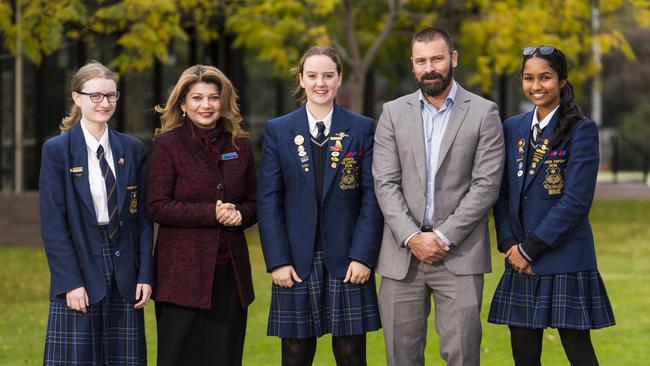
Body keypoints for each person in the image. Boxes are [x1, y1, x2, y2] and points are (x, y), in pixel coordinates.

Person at [372, 27, 505, 366]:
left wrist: (442, 237)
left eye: (437, 58)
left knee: (461, 356)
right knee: (401, 358)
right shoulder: (392, 112)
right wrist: (412, 237)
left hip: (459, 255)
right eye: (421, 61)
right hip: (403, 258)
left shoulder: (483, 112)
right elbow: (385, 183)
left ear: (453, 59)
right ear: (413, 65)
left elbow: (486, 185)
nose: (429, 67)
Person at [488, 45, 615, 366]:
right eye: (528, 78)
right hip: (518, 259)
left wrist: (530, 249)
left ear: (561, 80)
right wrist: (509, 246)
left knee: (579, 352)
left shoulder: (581, 129)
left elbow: (576, 202)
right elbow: (501, 193)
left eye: (545, 77)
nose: (536, 86)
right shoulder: (512, 127)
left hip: (564, 257)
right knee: (524, 354)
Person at [258, 45, 383, 366]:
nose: (320, 83)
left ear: (339, 79)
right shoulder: (278, 130)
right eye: (312, 76)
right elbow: (269, 200)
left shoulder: (361, 128)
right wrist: (278, 261)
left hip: (348, 258)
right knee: (296, 352)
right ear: (301, 79)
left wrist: (363, 256)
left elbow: (372, 197)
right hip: (296, 261)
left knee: (351, 352)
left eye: (328, 75)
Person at [40, 61, 153, 365]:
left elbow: (141, 217)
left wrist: (145, 274)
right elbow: (53, 224)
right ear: (76, 97)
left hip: (125, 269)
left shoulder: (131, 149)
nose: (105, 103)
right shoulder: (57, 151)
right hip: (80, 264)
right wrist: (69, 282)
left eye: (111, 96)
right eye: (96, 96)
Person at [147, 65, 257, 366]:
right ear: (182, 103)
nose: (206, 106)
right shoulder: (167, 145)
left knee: (225, 358)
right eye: (197, 98)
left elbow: (254, 201)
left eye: (213, 97)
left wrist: (242, 214)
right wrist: (212, 213)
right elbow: (157, 205)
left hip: (229, 278)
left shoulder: (240, 145)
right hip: (181, 278)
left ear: (224, 101)